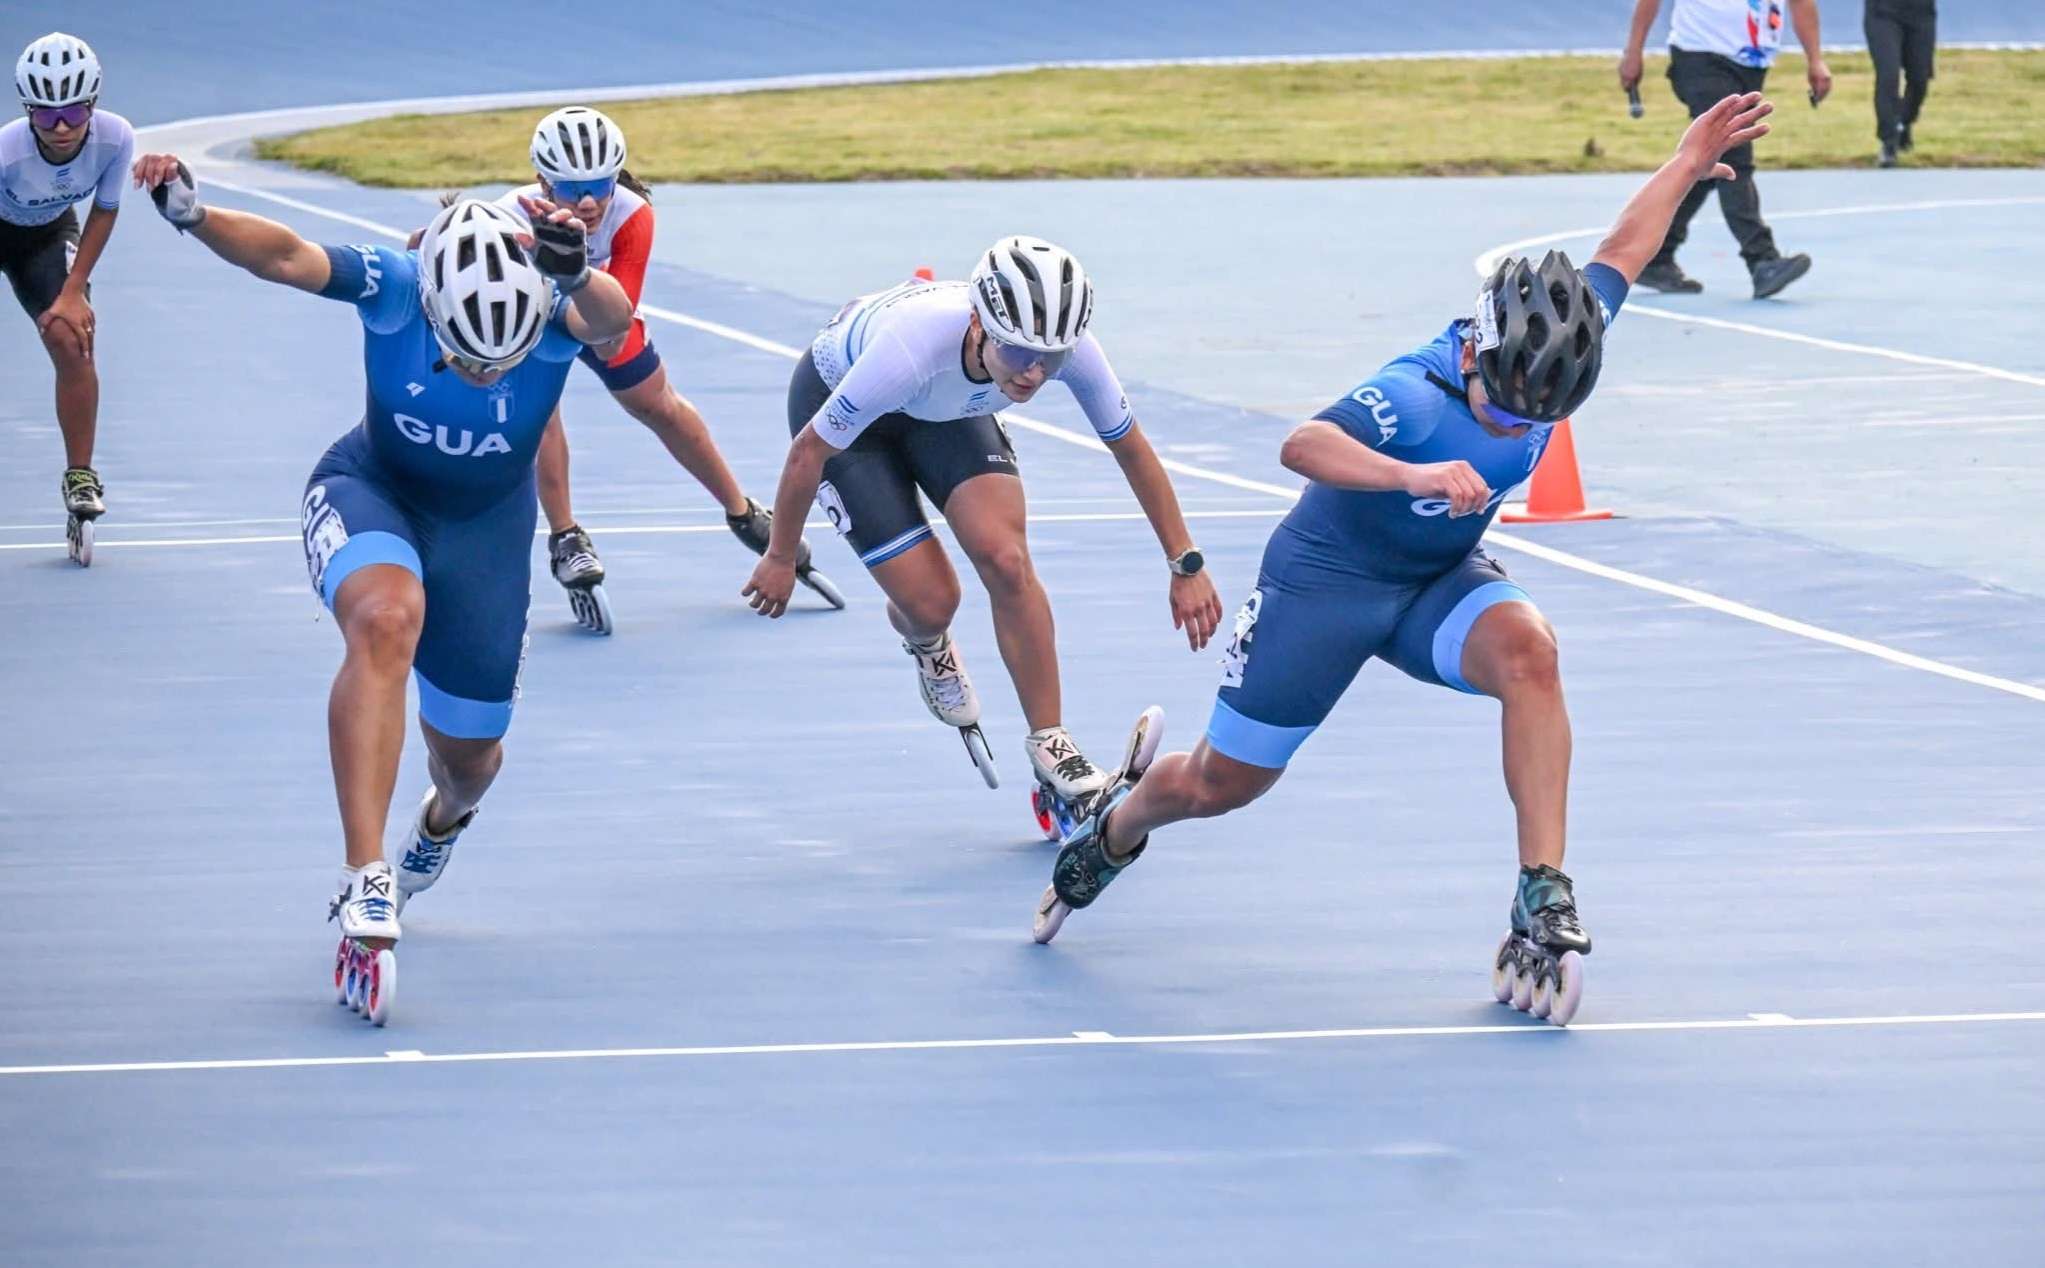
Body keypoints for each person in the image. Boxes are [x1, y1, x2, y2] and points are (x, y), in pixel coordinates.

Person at [1028, 94, 1778, 1031]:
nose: (1521, 428)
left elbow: (1619, 254)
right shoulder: (1408, 398)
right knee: (1219, 787)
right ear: (1478, 356)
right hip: (1324, 587)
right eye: (1506, 412)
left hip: (1432, 584)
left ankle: (1540, 888)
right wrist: (1408, 473)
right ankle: (1118, 826)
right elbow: (1300, 446)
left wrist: (1680, 158)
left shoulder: (1547, 354)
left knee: (1531, 656)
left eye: (1541, 420)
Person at [133, 154, 635, 1025]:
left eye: (500, 361)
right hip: (376, 491)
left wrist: (579, 270)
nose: (484, 375)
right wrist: (193, 215)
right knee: (384, 620)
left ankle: (438, 827)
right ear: (433, 310)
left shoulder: (558, 305)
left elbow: (614, 318)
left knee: (469, 765)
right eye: (465, 357)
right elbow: (284, 256)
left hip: (486, 537)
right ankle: (365, 878)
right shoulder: (397, 283)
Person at [743, 238, 1223, 834]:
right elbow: (809, 451)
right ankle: (927, 641)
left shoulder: (1060, 351)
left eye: (1050, 357)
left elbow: (1130, 446)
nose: (1033, 372)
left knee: (1007, 560)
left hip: (944, 410)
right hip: (852, 417)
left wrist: (1185, 563)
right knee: (933, 600)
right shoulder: (913, 347)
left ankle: (1053, 746)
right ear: (978, 324)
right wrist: (781, 555)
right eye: (1019, 351)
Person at [500, 106, 838, 633]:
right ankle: (566, 536)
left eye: (600, 184)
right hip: (531, 317)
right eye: (571, 189)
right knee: (540, 410)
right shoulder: (509, 218)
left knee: (657, 404)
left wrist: (580, 285)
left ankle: (743, 512)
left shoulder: (633, 214)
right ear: (544, 181)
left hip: (598, 308)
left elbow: (612, 327)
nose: (588, 202)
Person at [4, 33, 132, 566]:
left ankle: (80, 475)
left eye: (74, 111)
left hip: (46, 235)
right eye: (46, 113)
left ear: (93, 104)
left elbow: (104, 210)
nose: (60, 126)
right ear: (27, 109)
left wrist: (74, 289)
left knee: (71, 337)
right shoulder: (7, 150)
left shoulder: (116, 139)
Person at [1619, 0, 1827, 298]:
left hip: (1751, 63)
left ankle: (1656, 257)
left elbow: (1801, 3)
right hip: (1701, 57)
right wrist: (1633, 52)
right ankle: (1762, 258)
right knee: (1733, 154)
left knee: (1707, 166)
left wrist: (1815, 59)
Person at [1865, 0, 1936, 167]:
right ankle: (1888, 142)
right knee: (1888, 75)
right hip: (1882, 13)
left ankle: (1904, 122)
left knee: (1920, 78)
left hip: (1921, 12)